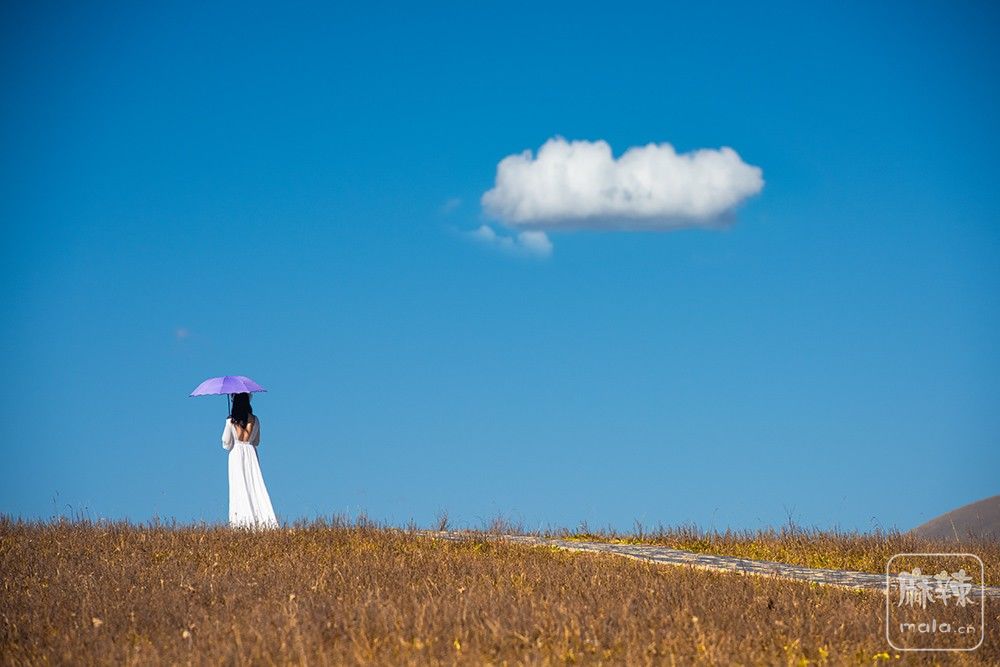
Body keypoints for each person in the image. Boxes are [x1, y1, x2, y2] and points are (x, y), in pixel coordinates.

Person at [221, 392, 278, 528]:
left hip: (236, 455)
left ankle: (240, 521)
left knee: (239, 486)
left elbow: (226, 443)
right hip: (251, 454)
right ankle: (262, 519)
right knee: (255, 484)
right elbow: (257, 441)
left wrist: (230, 424)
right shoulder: (255, 420)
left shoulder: (230, 421)